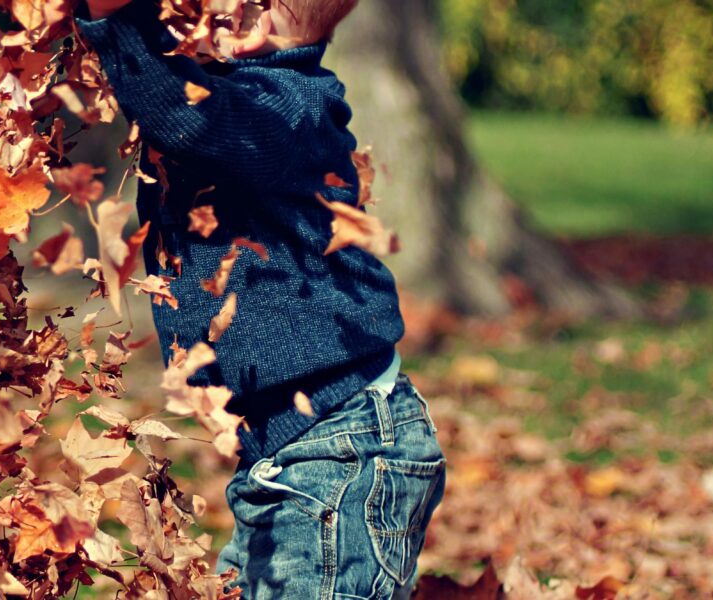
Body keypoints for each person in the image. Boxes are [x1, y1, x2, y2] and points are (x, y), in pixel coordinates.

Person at [74, 0, 447, 597]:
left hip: (339, 450)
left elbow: (186, 114)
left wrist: (115, 15)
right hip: (291, 451)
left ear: (251, 22)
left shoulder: (286, 109)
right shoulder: (243, 103)